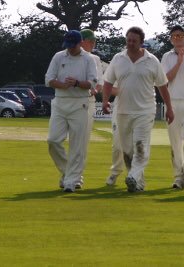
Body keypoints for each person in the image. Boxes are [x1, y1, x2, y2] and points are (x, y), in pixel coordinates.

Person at [101, 27, 175, 193]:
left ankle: (133, 176)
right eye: (128, 40)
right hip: (122, 111)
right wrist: (105, 101)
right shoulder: (118, 58)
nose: (130, 43)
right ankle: (138, 183)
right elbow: (108, 82)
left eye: (134, 41)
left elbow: (163, 86)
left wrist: (169, 108)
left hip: (145, 111)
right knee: (127, 150)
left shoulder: (152, 60)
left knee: (140, 145)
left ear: (142, 42)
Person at [44, 30, 99, 192]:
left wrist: (76, 83)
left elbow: (92, 83)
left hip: (80, 103)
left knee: (77, 145)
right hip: (60, 102)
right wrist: (62, 85)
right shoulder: (58, 56)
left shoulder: (88, 59)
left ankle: (70, 182)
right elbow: (49, 80)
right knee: (53, 141)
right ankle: (69, 173)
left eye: (72, 46)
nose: (69, 49)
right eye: (67, 46)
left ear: (80, 43)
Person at [80, 29, 121, 187]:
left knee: (82, 142)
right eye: (90, 41)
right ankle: (68, 173)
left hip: (86, 102)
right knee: (56, 140)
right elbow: (106, 87)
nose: (93, 44)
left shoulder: (94, 59)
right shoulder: (63, 55)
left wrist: (95, 90)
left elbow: (99, 84)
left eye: (94, 41)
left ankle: (75, 176)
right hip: (68, 101)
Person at [161, 25, 184, 189]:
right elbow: (165, 80)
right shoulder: (166, 56)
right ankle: (178, 176)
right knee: (175, 142)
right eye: (174, 36)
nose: (177, 38)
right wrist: (179, 62)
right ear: (171, 39)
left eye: (180, 35)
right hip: (173, 102)